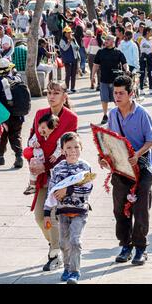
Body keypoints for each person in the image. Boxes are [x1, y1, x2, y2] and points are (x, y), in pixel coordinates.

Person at [99, 75, 152, 266]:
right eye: (115, 93)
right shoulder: (113, 114)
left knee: (140, 209)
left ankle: (141, 247)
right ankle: (125, 245)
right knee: (119, 209)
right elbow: (108, 139)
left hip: (142, 166)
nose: (117, 96)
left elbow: (151, 140)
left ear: (131, 93)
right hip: (121, 168)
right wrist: (103, 157)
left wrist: (137, 154)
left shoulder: (142, 114)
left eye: (121, 93)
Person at [29, 82, 78, 272]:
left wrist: (46, 165)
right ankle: (58, 245)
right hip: (41, 175)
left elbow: (68, 149)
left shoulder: (71, 118)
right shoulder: (40, 113)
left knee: (52, 215)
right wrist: (32, 161)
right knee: (40, 217)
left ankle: (54, 254)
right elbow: (32, 139)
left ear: (64, 96)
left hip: (61, 176)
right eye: (49, 93)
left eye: (56, 93)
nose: (51, 96)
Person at [44, 132, 93, 284]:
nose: (73, 150)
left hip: (80, 211)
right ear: (63, 150)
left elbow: (87, 189)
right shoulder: (58, 169)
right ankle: (66, 267)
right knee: (64, 242)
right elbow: (51, 191)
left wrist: (68, 190)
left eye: (76, 147)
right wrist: (47, 212)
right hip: (63, 212)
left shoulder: (85, 167)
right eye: (69, 147)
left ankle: (74, 272)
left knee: (75, 241)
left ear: (81, 148)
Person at [0, 58, 26, 168]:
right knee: (16, 135)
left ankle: (0, 157)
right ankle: (19, 157)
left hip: (3, 115)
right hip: (18, 115)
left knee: (1, 135)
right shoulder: (18, 79)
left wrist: (0, 111)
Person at [92, 34, 129, 125]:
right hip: (104, 80)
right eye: (105, 39)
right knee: (104, 99)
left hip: (116, 81)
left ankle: (120, 115)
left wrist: (127, 70)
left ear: (113, 41)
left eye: (108, 39)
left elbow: (124, 63)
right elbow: (96, 65)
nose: (105, 41)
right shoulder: (100, 52)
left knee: (117, 99)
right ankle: (105, 115)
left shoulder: (118, 52)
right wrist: (92, 76)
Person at [23, 114, 61, 195]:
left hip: (49, 159)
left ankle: (54, 187)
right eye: (40, 126)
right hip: (38, 158)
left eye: (44, 127)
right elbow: (30, 142)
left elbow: (60, 147)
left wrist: (55, 155)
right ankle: (32, 186)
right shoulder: (36, 135)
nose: (40, 129)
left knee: (53, 172)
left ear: (52, 129)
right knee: (33, 170)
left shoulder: (56, 136)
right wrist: (34, 143)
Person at [60, 26, 80, 93]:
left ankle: (72, 88)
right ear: (65, 33)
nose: (69, 34)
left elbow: (77, 47)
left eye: (70, 32)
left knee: (73, 74)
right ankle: (67, 88)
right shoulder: (62, 40)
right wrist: (68, 42)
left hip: (74, 58)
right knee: (68, 74)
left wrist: (75, 45)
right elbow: (64, 49)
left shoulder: (73, 39)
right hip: (67, 59)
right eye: (68, 32)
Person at [138, 27, 152, 95]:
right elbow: (137, 47)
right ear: (147, 32)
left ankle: (150, 88)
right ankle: (141, 89)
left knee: (150, 73)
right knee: (142, 73)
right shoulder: (140, 39)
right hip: (142, 57)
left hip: (150, 57)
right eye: (151, 31)